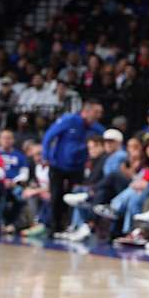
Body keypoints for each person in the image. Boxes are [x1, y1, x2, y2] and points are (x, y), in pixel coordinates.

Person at [39, 99, 102, 237]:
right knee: (56, 195)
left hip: (77, 168)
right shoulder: (69, 120)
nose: (99, 116)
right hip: (58, 165)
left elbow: (105, 138)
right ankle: (54, 227)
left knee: (73, 197)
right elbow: (49, 136)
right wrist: (45, 156)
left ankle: (70, 226)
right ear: (86, 111)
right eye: (96, 112)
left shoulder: (96, 127)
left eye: (100, 113)